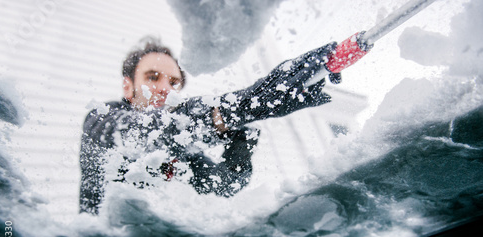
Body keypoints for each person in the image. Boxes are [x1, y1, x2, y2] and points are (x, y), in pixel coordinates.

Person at [79, 36, 339, 215]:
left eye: (173, 83)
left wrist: (242, 137)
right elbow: (142, 135)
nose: (164, 89)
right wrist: (244, 105)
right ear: (128, 85)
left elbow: (223, 186)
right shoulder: (101, 119)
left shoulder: (182, 150)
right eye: (153, 77)